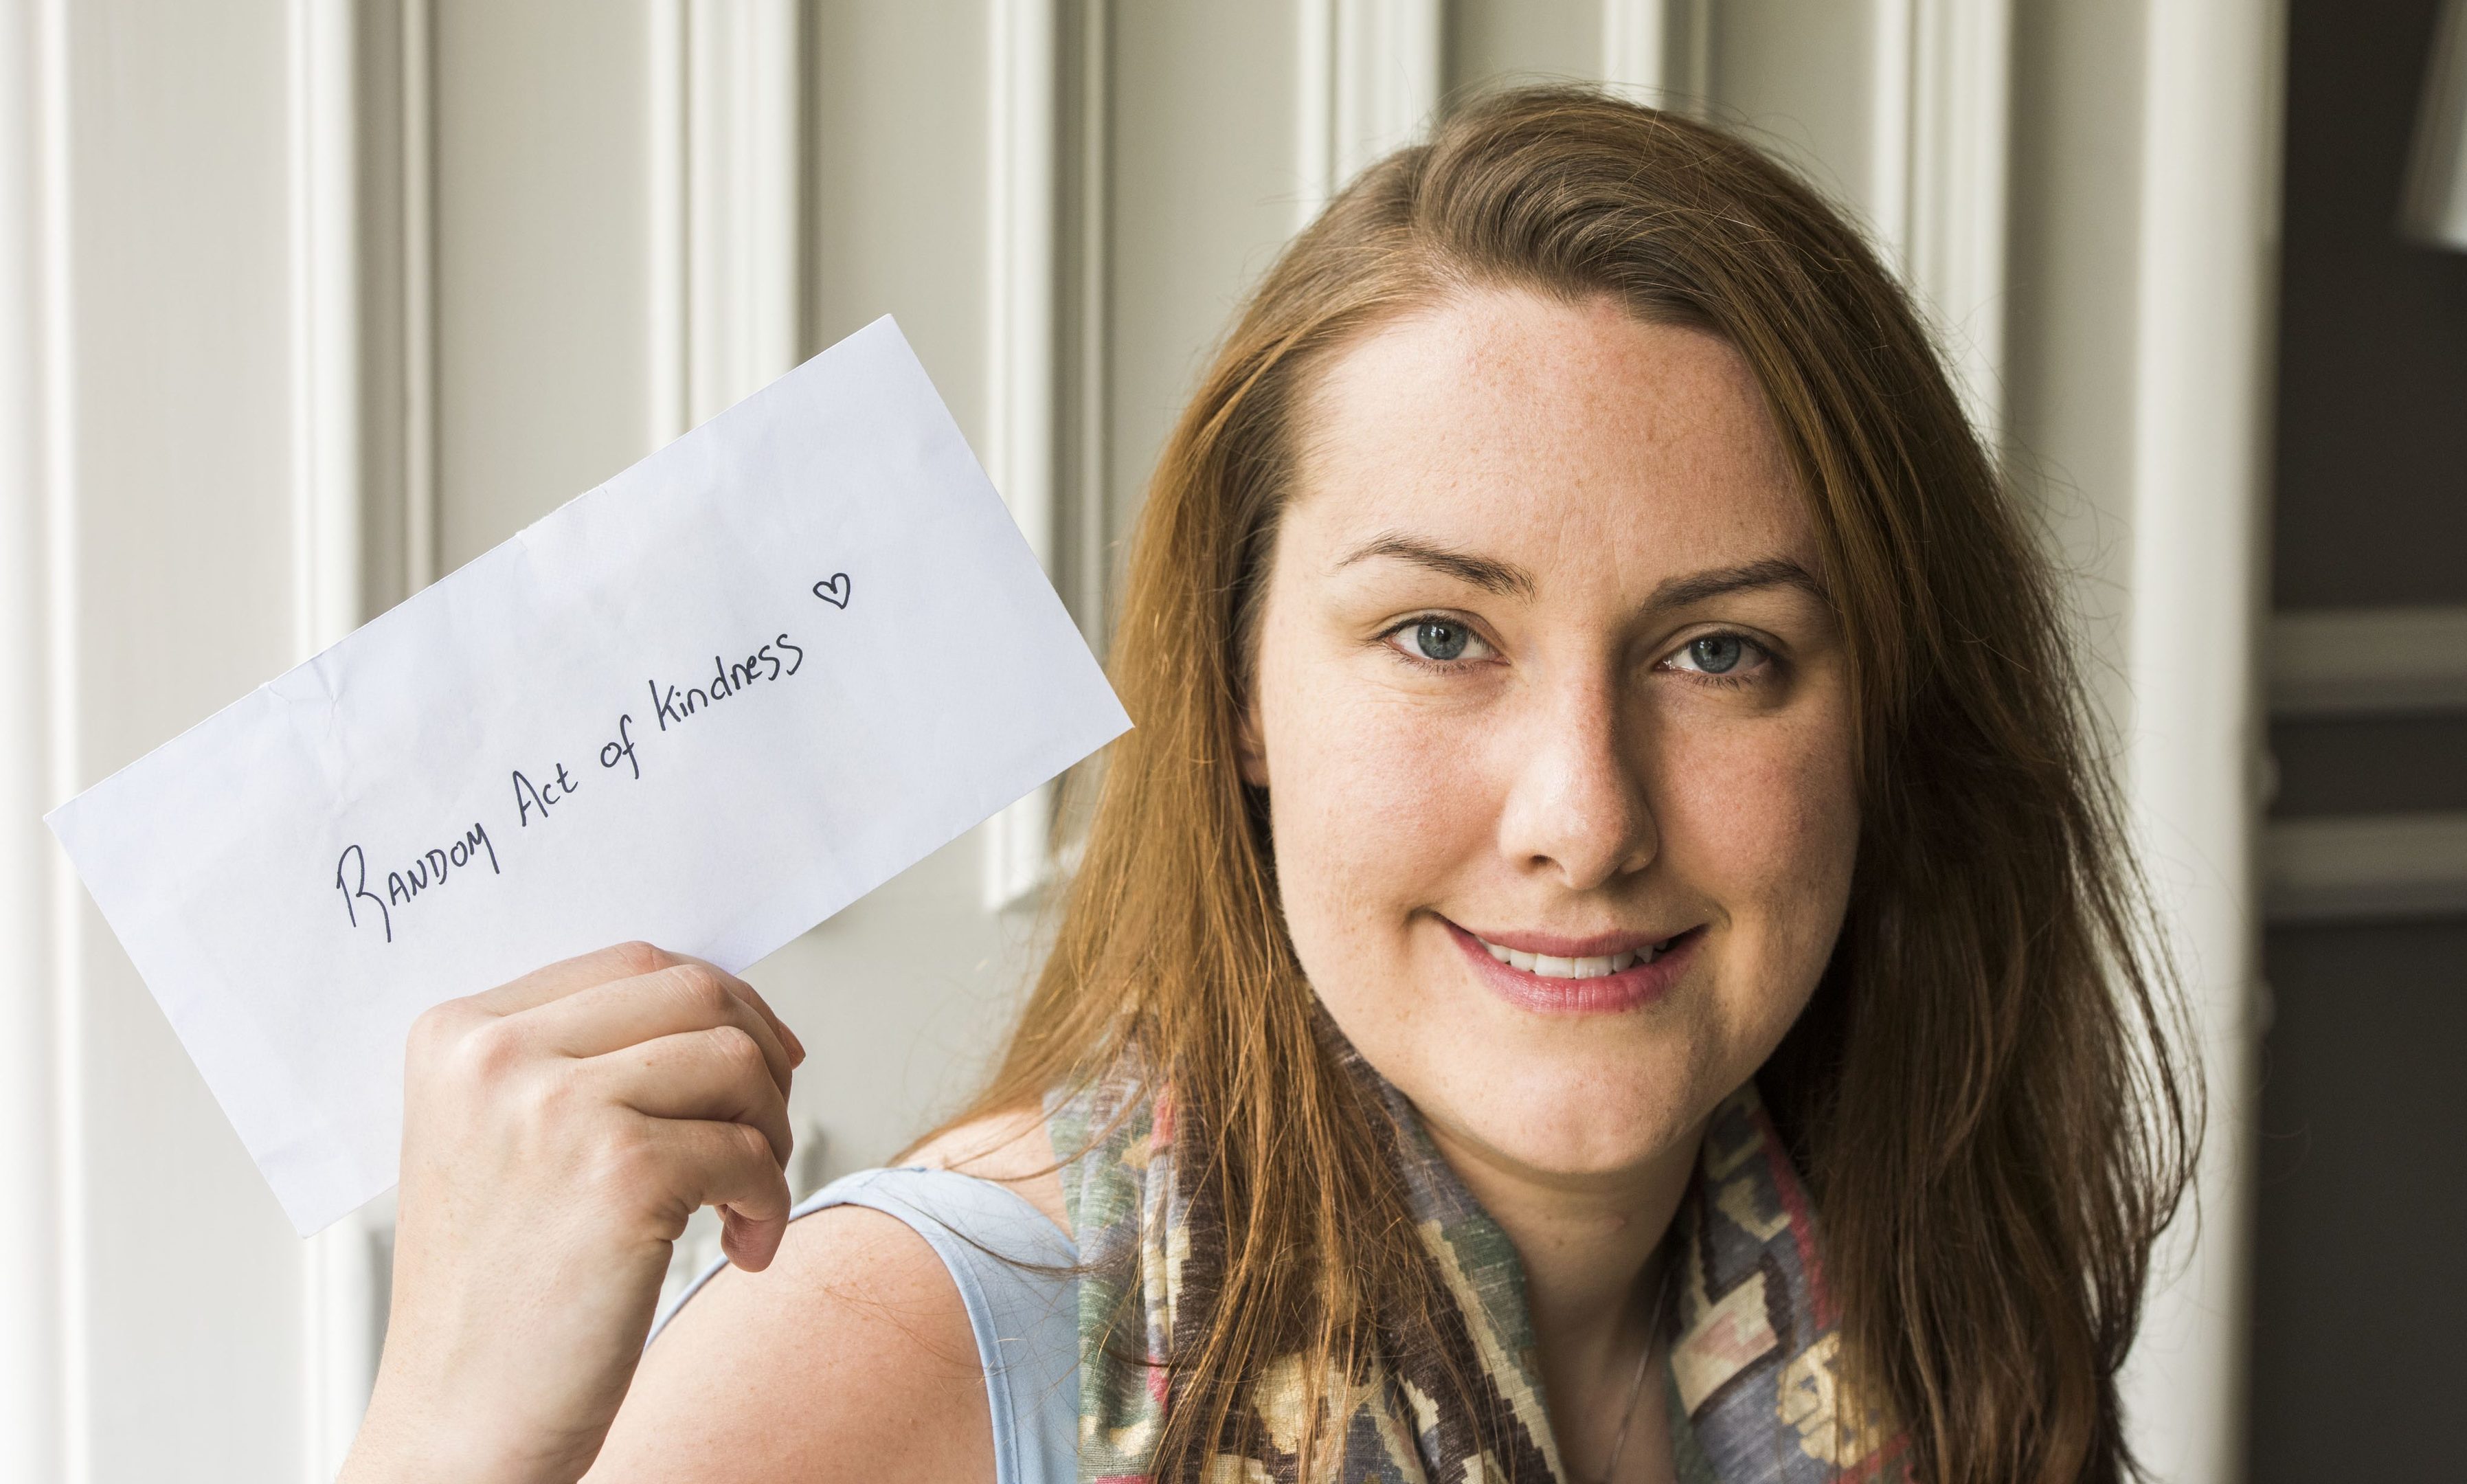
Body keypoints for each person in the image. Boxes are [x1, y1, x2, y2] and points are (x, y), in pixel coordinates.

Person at [339, 88, 2194, 1484]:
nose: (1583, 813)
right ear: (1236, 688)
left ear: (1879, 718)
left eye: (1721, 653)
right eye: (1441, 636)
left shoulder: (1923, 1296)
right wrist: (450, 1433)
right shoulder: (908, 1351)